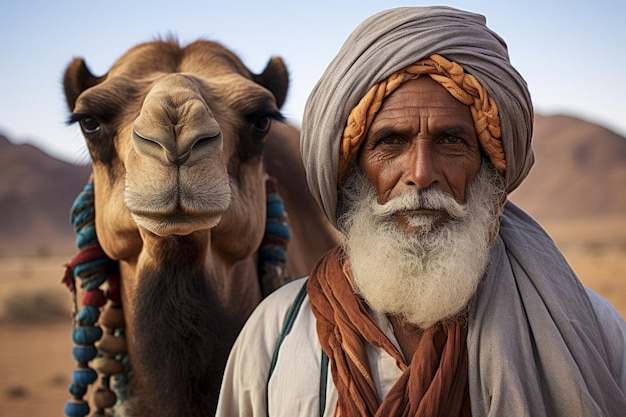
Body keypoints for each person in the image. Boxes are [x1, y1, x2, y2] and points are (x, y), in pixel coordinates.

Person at [216, 6, 626, 416]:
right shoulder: (276, 334)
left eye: (451, 140)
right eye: (391, 142)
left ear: (488, 166)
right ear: (351, 171)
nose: (421, 173)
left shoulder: (589, 330)